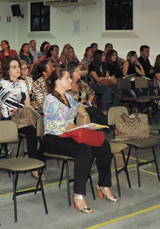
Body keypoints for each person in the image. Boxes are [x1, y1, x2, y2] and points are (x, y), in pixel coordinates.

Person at [42, 68, 116, 213]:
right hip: (53, 138)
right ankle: (78, 195)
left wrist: (85, 117)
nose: (71, 80)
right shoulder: (50, 100)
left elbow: (79, 107)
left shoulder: (67, 96)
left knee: (104, 145)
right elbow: (59, 125)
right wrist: (81, 128)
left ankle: (104, 184)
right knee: (84, 151)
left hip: (71, 134)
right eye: (67, 78)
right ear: (58, 81)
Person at [89, 50, 121, 115]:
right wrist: (108, 78)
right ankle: (104, 109)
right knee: (108, 89)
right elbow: (97, 79)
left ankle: (115, 108)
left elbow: (107, 75)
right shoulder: (92, 65)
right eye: (102, 55)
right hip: (93, 84)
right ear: (98, 57)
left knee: (117, 89)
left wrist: (112, 79)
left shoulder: (104, 65)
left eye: (104, 55)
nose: (104, 57)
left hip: (104, 83)